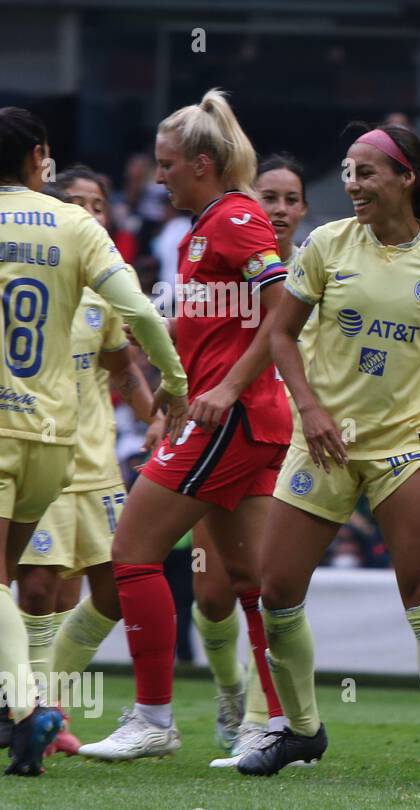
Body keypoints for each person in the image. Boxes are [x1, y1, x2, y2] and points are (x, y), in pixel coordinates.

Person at [247, 124, 420, 782]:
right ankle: (301, 729)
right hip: (324, 441)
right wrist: (312, 410)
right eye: (347, 172)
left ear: (407, 179)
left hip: (406, 446)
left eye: (367, 172)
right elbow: (281, 336)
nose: (352, 184)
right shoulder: (324, 245)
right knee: (278, 590)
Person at [78, 89, 290, 761]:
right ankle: (274, 723)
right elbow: (224, 320)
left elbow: (283, 315)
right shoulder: (204, 226)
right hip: (245, 417)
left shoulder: (235, 220)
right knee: (251, 581)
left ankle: (154, 719)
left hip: (231, 416)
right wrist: (162, 339)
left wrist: (225, 386)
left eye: (166, 164)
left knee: (132, 552)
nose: (157, 175)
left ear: (202, 163)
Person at [0, 106, 187, 775]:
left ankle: (24, 706)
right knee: (28, 583)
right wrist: (176, 379)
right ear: (37, 159)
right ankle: (31, 711)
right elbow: (139, 307)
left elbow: (117, 347)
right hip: (52, 437)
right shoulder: (74, 229)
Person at [16, 167, 159, 757]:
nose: (89, 213)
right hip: (38, 451)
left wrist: (156, 417)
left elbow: (122, 367)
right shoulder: (32, 278)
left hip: (97, 465)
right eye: (76, 203)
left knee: (113, 589)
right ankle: (32, 715)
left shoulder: (104, 292)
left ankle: (40, 704)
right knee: (39, 587)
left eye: (98, 205)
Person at [205, 153, 313, 767]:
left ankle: (273, 724)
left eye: (289, 198)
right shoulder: (229, 260)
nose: (277, 208)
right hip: (226, 426)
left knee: (271, 588)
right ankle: (232, 697)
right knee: (210, 591)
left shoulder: (317, 268)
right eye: (267, 196)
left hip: (290, 439)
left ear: (302, 208)